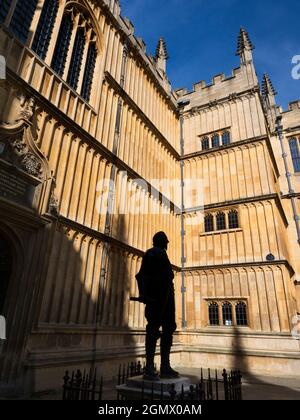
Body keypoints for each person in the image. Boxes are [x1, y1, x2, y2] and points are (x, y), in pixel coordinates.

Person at [136, 231, 179, 380]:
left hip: (168, 296)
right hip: (157, 297)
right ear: (161, 242)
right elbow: (140, 276)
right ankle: (149, 367)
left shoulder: (160, 253)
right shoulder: (152, 254)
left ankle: (165, 366)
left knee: (168, 328)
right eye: (165, 242)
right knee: (153, 329)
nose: (167, 244)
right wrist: (144, 294)